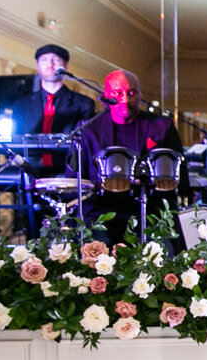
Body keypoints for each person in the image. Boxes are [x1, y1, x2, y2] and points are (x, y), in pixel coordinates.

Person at [76, 70, 184, 244]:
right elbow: (77, 178)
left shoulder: (162, 126)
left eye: (131, 93)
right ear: (106, 96)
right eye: (118, 94)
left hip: (150, 209)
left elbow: (180, 175)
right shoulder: (89, 129)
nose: (125, 100)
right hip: (102, 211)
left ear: (140, 94)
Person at [4, 43, 97, 177]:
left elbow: (84, 144)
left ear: (65, 66)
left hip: (67, 172)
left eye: (55, 60)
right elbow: (15, 140)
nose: (50, 64)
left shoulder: (83, 104)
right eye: (44, 60)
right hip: (30, 171)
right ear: (37, 65)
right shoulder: (21, 104)